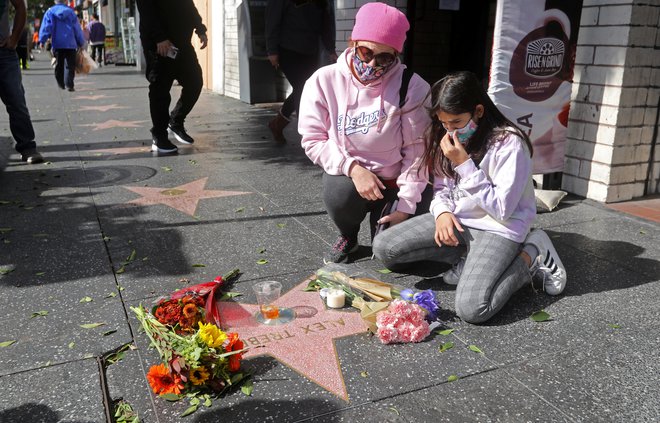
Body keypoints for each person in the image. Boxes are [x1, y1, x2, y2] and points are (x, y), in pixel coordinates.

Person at [372, 71, 567, 324]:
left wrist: (463, 163)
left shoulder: (509, 143)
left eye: (457, 122)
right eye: (444, 123)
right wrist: (442, 213)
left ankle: (531, 255)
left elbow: (502, 209)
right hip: (461, 222)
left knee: (473, 309)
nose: (450, 130)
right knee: (385, 248)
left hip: (500, 227)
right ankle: (469, 258)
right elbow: (442, 188)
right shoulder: (447, 138)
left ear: (478, 111)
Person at [298, 2, 431, 263]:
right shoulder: (323, 80)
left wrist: (405, 206)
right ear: (352, 41)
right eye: (365, 51)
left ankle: (385, 220)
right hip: (351, 179)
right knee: (338, 191)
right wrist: (353, 169)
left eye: (384, 57)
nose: (372, 63)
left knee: (392, 257)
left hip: (396, 180)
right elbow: (313, 139)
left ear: (396, 55)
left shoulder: (412, 86)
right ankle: (348, 234)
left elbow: (418, 151)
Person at [136, 0, 208, 154]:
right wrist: (159, 38)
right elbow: (147, 10)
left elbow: (189, 5)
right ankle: (159, 137)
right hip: (160, 45)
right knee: (160, 91)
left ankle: (176, 121)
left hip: (182, 43)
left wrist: (200, 28)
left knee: (195, 82)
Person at [265, 0, 336, 143]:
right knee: (303, 89)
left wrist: (331, 48)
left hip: (310, 51)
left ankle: (278, 124)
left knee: (303, 89)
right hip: (287, 49)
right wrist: (272, 50)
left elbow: (325, 22)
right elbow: (272, 20)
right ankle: (308, 135)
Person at [0, 0, 43, 163]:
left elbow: (20, 7)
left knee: (16, 100)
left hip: (4, 53)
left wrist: (13, 39)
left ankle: (27, 147)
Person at [39, 0, 85, 92]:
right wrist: (81, 41)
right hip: (70, 43)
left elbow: (46, 27)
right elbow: (77, 28)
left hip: (58, 43)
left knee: (59, 64)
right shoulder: (71, 12)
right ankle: (69, 84)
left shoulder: (50, 12)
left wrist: (42, 40)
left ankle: (60, 83)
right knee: (70, 64)